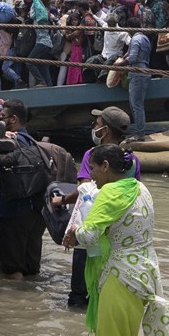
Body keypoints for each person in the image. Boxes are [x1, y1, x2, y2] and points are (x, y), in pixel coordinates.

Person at [63, 145, 169, 336]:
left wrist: (73, 233)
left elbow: (89, 234)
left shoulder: (111, 192)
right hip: (144, 276)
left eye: (93, 169)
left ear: (106, 166)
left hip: (121, 278)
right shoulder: (140, 188)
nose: (91, 177)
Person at [52, 108, 139, 309]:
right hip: (117, 232)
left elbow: (85, 191)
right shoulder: (132, 160)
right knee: (105, 283)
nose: (94, 127)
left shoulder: (92, 155)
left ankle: (76, 322)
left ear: (105, 130)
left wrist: (62, 200)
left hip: (92, 225)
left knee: (80, 289)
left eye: (97, 124)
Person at [0, 99, 46, 279]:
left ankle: (13, 304)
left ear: (13, 119)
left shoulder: (10, 142)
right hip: (37, 212)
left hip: (14, 211)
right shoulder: (34, 142)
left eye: (2, 118)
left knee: (13, 269)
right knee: (32, 269)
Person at [124, 18, 152, 142]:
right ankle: (139, 132)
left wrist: (118, 65)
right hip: (144, 71)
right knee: (138, 105)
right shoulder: (145, 38)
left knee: (136, 105)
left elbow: (133, 58)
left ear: (131, 27)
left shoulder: (135, 39)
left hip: (137, 73)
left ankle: (139, 134)